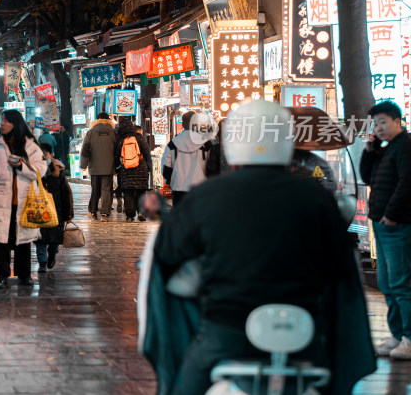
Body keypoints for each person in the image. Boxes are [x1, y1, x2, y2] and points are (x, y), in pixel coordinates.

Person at [150, 99, 373, 394]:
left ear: (232, 143)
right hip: (304, 333)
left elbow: (166, 255)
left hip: (225, 331)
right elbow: (340, 264)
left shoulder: (205, 197)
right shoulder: (317, 198)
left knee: (181, 385)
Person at [360, 100, 411, 359]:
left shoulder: (406, 145)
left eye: (383, 122)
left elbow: (407, 183)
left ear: (396, 120)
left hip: (396, 224)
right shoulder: (386, 149)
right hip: (381, 224)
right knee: (387, 283)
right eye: (375, 123)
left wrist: (391, 215)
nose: (379, 127)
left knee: (400, 284)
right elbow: (367, 178)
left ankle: (409, 338)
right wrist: (370, 150)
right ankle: (397, 335)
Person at [0, 109, 47, 289]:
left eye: (6, 121)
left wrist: (22, 166)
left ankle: (24, 275)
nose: (3, 124)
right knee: (1, 241)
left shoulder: (30, 145)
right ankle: (2, 275)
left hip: (24, 201)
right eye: (3, 121)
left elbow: (41, 170)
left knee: (23, 240)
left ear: (16, 123)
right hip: (0, 202)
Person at [161, 111, 213, 206]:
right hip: (201, 188)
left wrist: (172, 182)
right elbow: (212, 167)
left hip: (179, 189)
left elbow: (166, 168)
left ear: (183, 124)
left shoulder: (173, 144)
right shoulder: (206, 143)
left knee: (181, 218)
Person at [36, 143, 72, 273]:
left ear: (51, 155)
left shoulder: (58, 172)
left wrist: (68, 214)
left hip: (56, 211)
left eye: (45, 155)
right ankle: (42, 263)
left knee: (53, 239)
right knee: (39, 239)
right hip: (39, 211)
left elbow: (66, 194)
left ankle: (51, 255)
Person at [80, 112, 117, 221]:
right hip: (109, 166)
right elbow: (117, 150)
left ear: (97, 120)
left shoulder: (90, 133)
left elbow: (85, 149)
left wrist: (83, 165)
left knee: (95, 189)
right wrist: (117, 166)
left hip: (94, 167)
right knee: (106, 190)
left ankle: (92, 211)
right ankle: (105, 214)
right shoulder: (113, 133)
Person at [114, 116, 152, 222]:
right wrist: (149, 167)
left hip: (126, 170)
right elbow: (146, 153)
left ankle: (130, 215)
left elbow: (117, 156)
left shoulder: (121, 140)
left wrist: (117, 168)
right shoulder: (139, 137)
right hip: (141, 169)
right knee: (141, 192)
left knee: (128, 193)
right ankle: (141, 212)